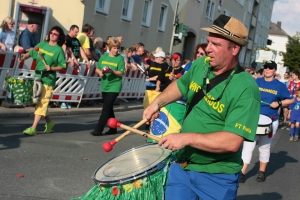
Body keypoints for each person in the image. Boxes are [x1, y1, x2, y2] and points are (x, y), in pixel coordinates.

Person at [143, 14, 261, 199]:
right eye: (208, 42)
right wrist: (157, 103)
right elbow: (181, 86)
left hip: (218, 177)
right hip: (182, 168)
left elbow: (232, 142)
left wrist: (186, 138)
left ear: (235, 48)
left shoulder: (246, 88)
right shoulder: (200, 65)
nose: (208, 49)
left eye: (216, 44)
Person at [240, 60, 294, 183]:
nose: (267, 69)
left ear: (274, 70)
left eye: (270, 68)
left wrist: (279, 103)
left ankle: (261, 172)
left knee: (264, 147)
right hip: (253, 119)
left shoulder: (280, 86)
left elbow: (291, 100)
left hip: (271, 121)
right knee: (248, 146)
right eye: (266, 67)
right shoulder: (257, 81)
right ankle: (242, 173)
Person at [18, 26, 66, 135]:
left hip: (48, 79)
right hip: (38, 77)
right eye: (51, 33)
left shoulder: (58, 50)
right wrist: (22, 58)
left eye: (55, 34)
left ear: (59, 37)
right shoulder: (42, 44)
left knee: (42, 102)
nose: (52, 35)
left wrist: (52, 68)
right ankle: (49, 122)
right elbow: (31, 53)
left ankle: (33, 128)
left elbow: (62, 66)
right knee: (40, 103)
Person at [90, 37, 125, 136]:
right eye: (114, 48)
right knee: (109, 108)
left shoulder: (120, 58)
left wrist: (112, 71)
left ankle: (98, 130)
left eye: (117, 48)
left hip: (115, 85)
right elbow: (97, 68)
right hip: (105, 84)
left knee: (105, 107)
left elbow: (121, 73)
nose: (116, 50)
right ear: (110, 48)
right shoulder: (104, 57)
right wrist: (100, 72)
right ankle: (113, 129)